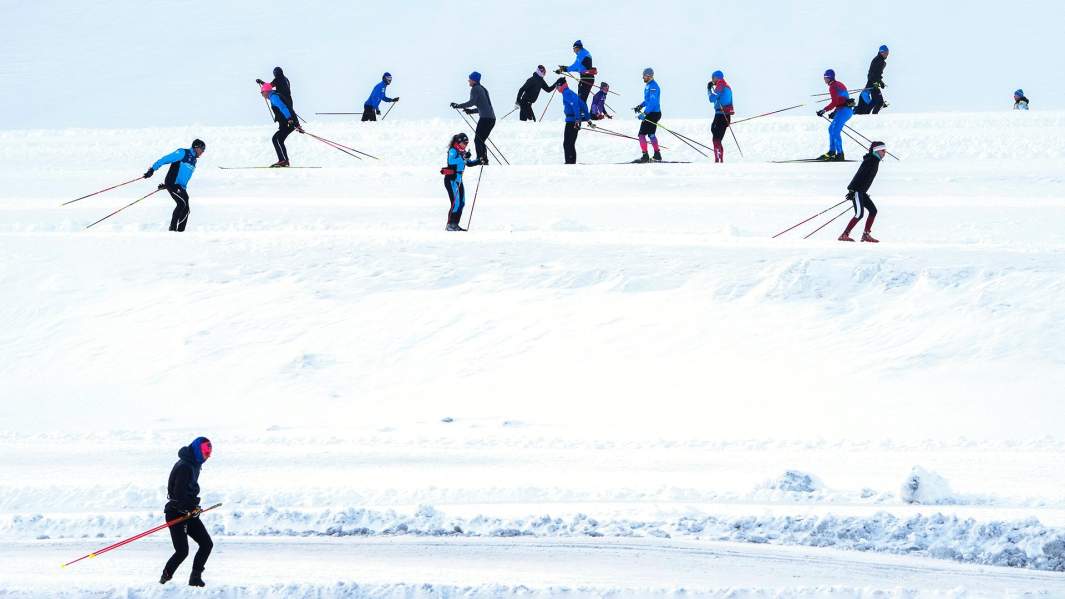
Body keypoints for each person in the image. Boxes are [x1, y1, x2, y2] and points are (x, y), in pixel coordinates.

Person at [160, 437, 214, 587]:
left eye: (209, 454)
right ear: (197, 450)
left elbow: (188, 493)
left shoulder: (194, 464)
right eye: (205, 453)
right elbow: (179, 495)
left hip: (187, 512)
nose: (207, 457)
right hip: (176, 513)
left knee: (206, 544)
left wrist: (193, 508)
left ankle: (195, 577)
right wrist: (191, 509)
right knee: (182, 551)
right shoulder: (185, 466)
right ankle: (164, 579)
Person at [142, 139, 206, 232]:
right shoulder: (183, 152)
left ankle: (180, 232)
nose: (202, 152)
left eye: (204, 150)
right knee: (181, 204)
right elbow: (165, 159)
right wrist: (152, 169)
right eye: (202, 149)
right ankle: (172, 230)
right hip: (173, 184)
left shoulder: (194, 160)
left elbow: (182, 174)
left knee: (186, 209)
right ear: (196, 147)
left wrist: (166, 185)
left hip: (180, 186)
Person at [839, 141, 887, 243]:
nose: (885, 153)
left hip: (861, 191)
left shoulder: (874, 160)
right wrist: (852, 190)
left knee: (873, 210)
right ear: (877, 150)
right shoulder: (871, 160)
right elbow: (859, 175)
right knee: (859, 214)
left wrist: (863, 191)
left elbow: (865, 178)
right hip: (857, 190)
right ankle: (844, 235)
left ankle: (866, 235)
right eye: (883, 150)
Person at [440, 133, 484, 231]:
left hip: (459, 180)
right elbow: (451, 161)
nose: (465, 145)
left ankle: (455, 224)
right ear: (459, 142)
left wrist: (479, 161)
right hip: (451, 179)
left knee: (462, 203)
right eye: (464, 143)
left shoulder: (462, 151)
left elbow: (468, 163)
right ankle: (450, 225)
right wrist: (463, 158)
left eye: (467, 143)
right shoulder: (453, 150)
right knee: (456, 203)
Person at [450, 72, 496, 164]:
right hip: (491, 119)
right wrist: (471, 111)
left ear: (474, 80)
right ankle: (483, 160)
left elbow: (471, 102)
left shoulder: (475, 89)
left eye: (470, 79)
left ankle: (480, 160)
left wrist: (458, 105)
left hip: (485, 119)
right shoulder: (483, 89)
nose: (468, 81)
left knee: (478, 140)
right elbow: (484, 106)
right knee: (480, 140)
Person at [816, 69, 854, 161]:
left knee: (835, 131)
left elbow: (835, 102)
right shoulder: (838, 84)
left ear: (830, 78)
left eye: (825, 77)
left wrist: (824, 110)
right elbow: (841, 100)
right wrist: (834, 112)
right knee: (831, 129)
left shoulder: (833, 86)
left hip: (844, 111)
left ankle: (840, 154)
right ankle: (832, 152)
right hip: (844, 110)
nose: (824, 79)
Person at [261, 83, 302, 167]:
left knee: (276, 139)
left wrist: (290, 119)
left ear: (267, 91)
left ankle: (283, 160)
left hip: (287, 122)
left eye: (262, 92)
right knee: (278, 139)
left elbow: (283, 107)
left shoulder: (274, 97)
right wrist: (296, 124)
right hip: (288, 122)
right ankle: (284, 160)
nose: (262, 94)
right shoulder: (275, 95)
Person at [556, 78, 591, 164]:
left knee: (567, 144)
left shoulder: (566, 93)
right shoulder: (570, 92)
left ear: (562, 85)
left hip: (572, 122)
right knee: (570, 144)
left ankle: (569, 163)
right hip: (574, 121)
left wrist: (577, 120)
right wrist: (588, 119)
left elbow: (575, 105)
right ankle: (571, 162)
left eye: (557, 86)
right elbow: (583, 104)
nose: (556, 89)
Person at [632, 68, 662, 163]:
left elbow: (653, 102)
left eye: (644, 76)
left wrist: (645, 113)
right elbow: (648, 100)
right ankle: (657, 155)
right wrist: (640, 106)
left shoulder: (653, 86)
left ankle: (645, 156)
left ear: (649, 76)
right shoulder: (648, 85)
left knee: (641, 135)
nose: (643, 77)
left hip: (652, 113)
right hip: (653, 113)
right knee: (651, 134)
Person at [707, 70, 734, 163]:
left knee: (716, 138)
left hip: (721, 115)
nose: (712, 80)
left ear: (717, 77)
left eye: (713, 77)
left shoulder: (721, 84)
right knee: (716, 136)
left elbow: (712, 99)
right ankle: (719, 158)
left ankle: (718, 159)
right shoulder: (726, 86)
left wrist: (709, 89)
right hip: (724, 115)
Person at [855, 45, 889, 115]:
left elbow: (876, 74)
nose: (887, 55)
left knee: (880, 102)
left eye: (887, 53)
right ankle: (866, 115)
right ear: (881, 52)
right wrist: (878, 82)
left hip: (874, 82)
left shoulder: (880, 60)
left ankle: (873, 116)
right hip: (873, 82)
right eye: (885, 53)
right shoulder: (879, 60)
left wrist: (880, 82)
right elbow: (873, 74)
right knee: (875, 100)